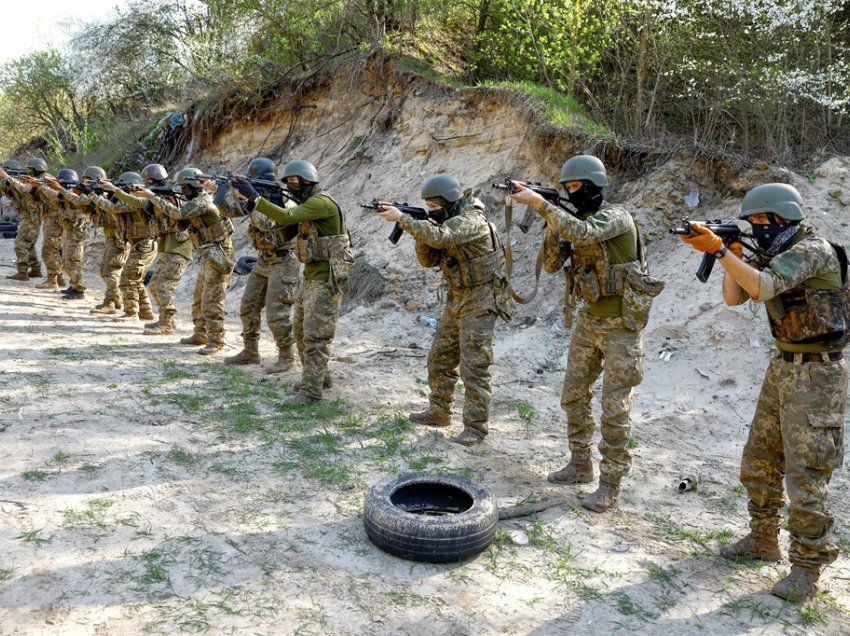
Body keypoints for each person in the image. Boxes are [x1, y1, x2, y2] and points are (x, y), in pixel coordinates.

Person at [679, 183, 848, 602]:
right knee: (759, 458)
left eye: (760, 223)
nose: (757, 230)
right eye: (751, 224)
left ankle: (808, 570)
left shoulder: (814, 250)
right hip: (784, 366)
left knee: (806, 474)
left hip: (818, 376)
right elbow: (736, 297)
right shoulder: (776, 254)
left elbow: (762, 289)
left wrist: (721, 251)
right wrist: (729, 256)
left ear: (781, 218)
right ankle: (762, 539)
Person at [510, 155, 663, 511]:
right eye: (566, 188)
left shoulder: (616, 217)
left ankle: (610, 483)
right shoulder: (569, 222)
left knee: (614, 409)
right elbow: (550, 266)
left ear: (593, 188)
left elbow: (585, 233)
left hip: (622, 327)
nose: (570, 193)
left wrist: (541, 204)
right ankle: (581, 463)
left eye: (575, 187)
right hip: (588, 321)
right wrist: (549, 224)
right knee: (574, 395)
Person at [377, 174, 516, 446]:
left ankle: (475, 429)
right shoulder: (446, 221)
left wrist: (405, 220)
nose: (431, 211)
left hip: (482, 299)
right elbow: (429, 259)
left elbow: (443, 237)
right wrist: (417, 228)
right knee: (439, 358)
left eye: (434, 206)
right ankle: (439, 411)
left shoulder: (471, 221)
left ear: (448, 203)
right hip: (457, 298)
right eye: (427, 207)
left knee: (474, 367)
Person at [233, 160, 352, 404]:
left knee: (315, 336)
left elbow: (287, 215)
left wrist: (256, 198)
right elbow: (286, 228)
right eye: (288, 182)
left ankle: (311, 392)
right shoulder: (308, 204)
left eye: (294, 182)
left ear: (308, 180)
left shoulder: (320, 203)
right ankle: (319, 378)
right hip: (310, 275)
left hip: (325, 278)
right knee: (300, 330)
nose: (291, 186)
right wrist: (268, 202)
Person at [133, 167, 235, 354]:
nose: (183, 191)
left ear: (195, 186)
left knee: (211, 300)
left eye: (185, 187)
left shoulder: (203, 201)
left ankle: (216, 340)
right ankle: (201, 333)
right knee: (198, 298)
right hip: (208, 253)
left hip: (219, 253)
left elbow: (178, 214)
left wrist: (151, 197)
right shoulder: (197, 200)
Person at [218, 158, 301, 373]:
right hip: (264, 259)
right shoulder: (258, 199)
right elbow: (228, 211)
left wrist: (251, 197)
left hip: (284, 261)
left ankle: (286, 356)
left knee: (276, 312)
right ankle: (250, 351)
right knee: (248, 307)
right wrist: (222, 191)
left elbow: (265, 222)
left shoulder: (283, 200)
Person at [111, 164, 193, 335]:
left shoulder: (169, 197)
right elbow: (142, 203)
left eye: (148, 181)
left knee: (163, 286)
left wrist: (120, 192)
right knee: (155, 285)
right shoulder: (159, 196)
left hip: (178, 246)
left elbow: (169, 211)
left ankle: (167, 323)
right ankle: (165, 319)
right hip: (167, 246)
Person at [97, 173, 157, 321]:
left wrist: (100, 194)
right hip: (139, 243)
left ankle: (131, 313)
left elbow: (115, 208)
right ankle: (146, 311)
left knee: (127, 278)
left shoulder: (141, 199)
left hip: (145, 243)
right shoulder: (130, 199)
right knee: (135, 278)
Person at [34, 169, 91, 299]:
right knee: (67, 260)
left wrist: (56, 187)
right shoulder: (66, 193)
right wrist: (41, 185)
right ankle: (73, 286)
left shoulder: (80, 195)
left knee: (73, 261)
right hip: (69, 231)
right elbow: (55, 196)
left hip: (76, 234)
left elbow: (75, 200)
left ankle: (79, 290)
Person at [0, 158, 47, 281]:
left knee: (19, 245)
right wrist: (5, 181)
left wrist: (7, 177)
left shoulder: (35, 182)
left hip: (32, 219)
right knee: (29, 245)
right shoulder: (25, 181)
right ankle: (36, 270)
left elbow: (24, 189)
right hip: (30, 218)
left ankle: (22, 272)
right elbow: (12, 193)